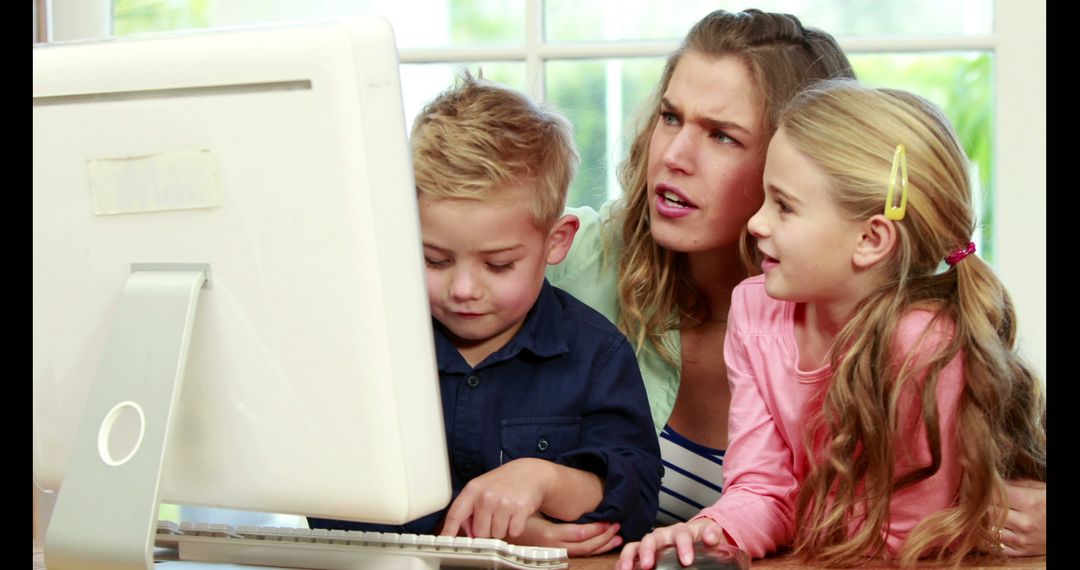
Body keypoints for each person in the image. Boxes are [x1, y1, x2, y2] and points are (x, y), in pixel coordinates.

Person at [542, 7, 1047, 558]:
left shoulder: (918, 332)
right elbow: (761, 493)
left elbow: (917, 520)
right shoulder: (580, 257)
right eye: (669, 117)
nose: (672, 156)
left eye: (722, 136)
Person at [310, 72, 662, 548]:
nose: (464, 289)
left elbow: (636, 497)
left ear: (556, 242)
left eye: (498, 265)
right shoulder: (377, 350)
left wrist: (545, 479)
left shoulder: (596, 354)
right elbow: (334, 498)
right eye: (434, 259)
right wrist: (489, 534)